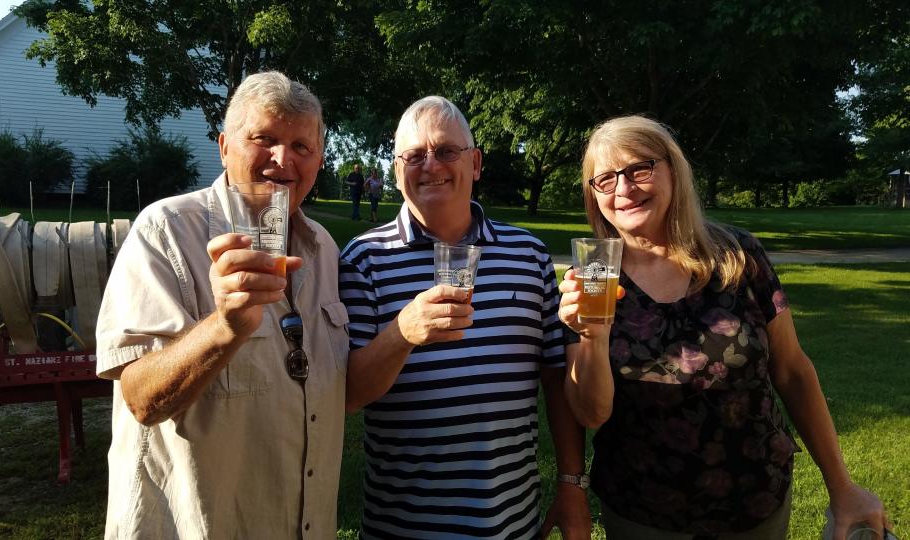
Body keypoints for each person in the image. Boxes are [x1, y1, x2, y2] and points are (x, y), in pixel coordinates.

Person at [559, 115, 889, 539]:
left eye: (640, 169)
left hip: (756, 505)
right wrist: (594, 336)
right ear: (593, 195)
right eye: (604, 179)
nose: (624, 189)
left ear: (674, 171)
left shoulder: (738, 255)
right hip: (644, 513)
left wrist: (842, 486)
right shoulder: (590, 277)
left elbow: (792, 371)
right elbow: (591, 413)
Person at [95, 71, 349, 539]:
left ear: (317, 160)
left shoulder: (325, 249)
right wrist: (224, 328)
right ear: (224, 146)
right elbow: (140, 397)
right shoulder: (167, 230)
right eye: (264, 139)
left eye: (301, 147)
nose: (282, 159)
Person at [339, 96, 592, 539]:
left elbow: (555, 377)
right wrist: (402, 333)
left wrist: (571, 484)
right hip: (405, 526)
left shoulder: (528, 255)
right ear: (397, 171)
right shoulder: (363, 260)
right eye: (414, 155)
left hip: (511, 521)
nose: (430, 165)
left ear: (475, 163)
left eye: (446, 151)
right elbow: (345, 396)